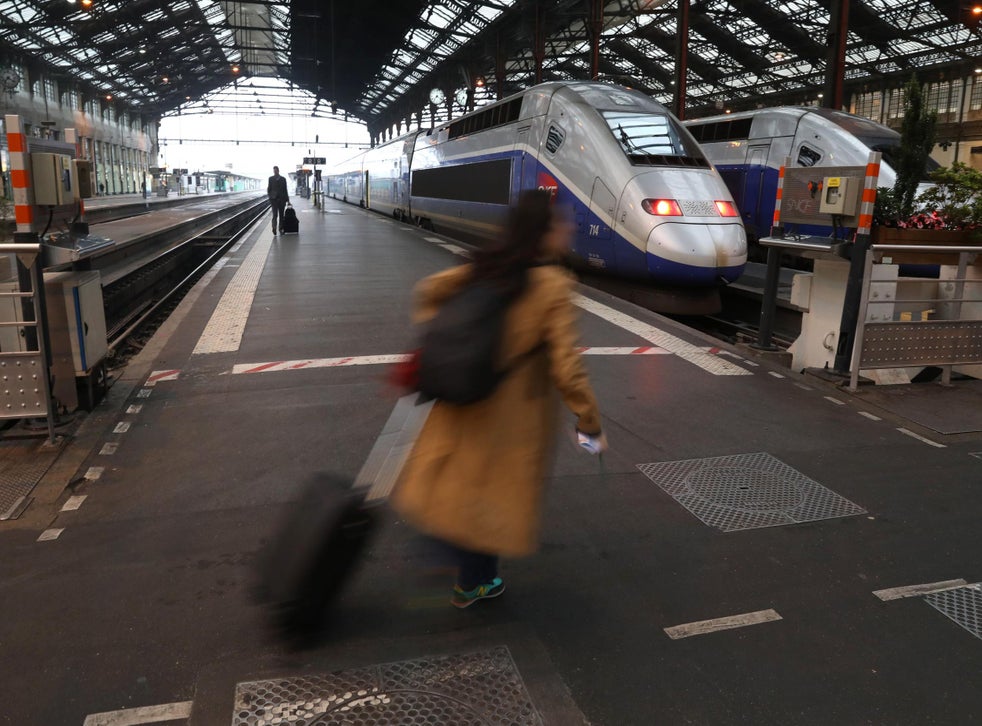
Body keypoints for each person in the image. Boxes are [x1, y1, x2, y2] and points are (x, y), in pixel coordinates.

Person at [392, 189, 606, 609]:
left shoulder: (485, 264)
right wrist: (589, 420)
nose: (570, 229)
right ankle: (471, 580)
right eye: (562, 224)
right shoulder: (554, 285)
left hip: (466, 393)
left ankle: (456, 560)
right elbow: (567, 367)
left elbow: (428, 291)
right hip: (511, 414)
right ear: (544, 233)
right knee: (489, 496)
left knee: (463, 484)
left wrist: (452, 338)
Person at [267, 165, 289, 234]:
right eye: (274, 171)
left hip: (282, 200)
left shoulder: (283, 179)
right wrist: (270, 196)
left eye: (276, 171)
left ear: (278, 171)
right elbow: (269, 189)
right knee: (275, 215)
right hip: (274, 200)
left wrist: (288, 200)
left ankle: (280, 228)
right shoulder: (270, 179)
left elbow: (285, 190)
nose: (275, 172)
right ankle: (274, 227)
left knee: (281, 215)